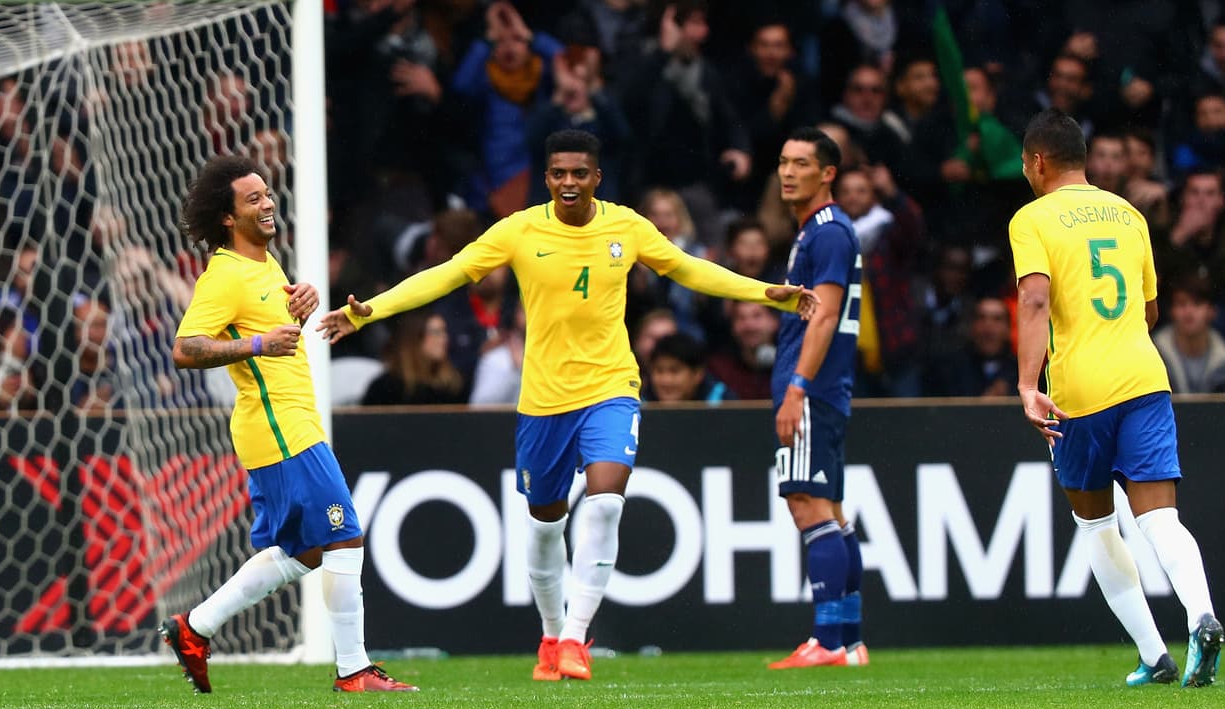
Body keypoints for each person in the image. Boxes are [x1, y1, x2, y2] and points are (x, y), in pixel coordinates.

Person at [318, 130, 817, 681]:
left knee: (605, 502)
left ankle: (577, 637)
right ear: (548, 177)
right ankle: (552, 635)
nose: (569, 183)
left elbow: (687, 268)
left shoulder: (626, 226)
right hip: (543, 399)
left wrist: (762, 290)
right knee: (545, 526)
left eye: (580, 173)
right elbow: (449, 274)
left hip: (611, 386)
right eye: (559, 173)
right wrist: (368, 311)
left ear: (596, 177)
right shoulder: (520, 229)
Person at [164, 154, 416, 694]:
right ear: (229, 218)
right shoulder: (225, 275)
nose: (268, 202)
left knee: (304, 552)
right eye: (252, 198)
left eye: (267, 193)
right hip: (278, 426)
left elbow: (270, 332)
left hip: (288, 421)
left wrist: (297, 310)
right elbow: (185, 348)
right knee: (344, 535)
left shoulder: (265, 265)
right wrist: (256, 342)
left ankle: (194, 627)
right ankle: (355, 670)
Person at [1009, 108, 1224, 687]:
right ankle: (1201, 615)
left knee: (1098, 523)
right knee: (1161, 518)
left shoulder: (1032, 219)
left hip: (1080, 387)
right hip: (1145, 377)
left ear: (1037, 162)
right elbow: (1150, 310)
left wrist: (1029, 385)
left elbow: (1033, 301)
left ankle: (1155, 656)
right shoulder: (1130, 215)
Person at [766, 127, 868, 670]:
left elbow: (826, 313)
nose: (788, 172)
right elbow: (819, 306)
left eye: (801, 163)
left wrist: (797, 387)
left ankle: (828, 641)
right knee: (829, 508)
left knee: (807, 505)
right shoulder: (821, 232)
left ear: (827, 173)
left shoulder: (827, 232)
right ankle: (849, 641)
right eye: (783, 161)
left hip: (813, 385)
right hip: (827, 386)